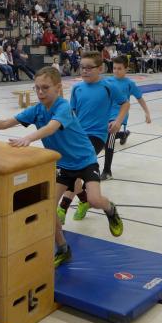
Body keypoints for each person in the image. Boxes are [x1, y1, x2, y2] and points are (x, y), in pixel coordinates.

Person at [0, 67, 123, 268]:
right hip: (62, 164)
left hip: (85, 160)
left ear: (58, 88)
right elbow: (6, 122)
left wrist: (28, 138)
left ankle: (110, 209)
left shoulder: (63, 107)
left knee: (94, 199)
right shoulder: (36, 110)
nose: (40, 92)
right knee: (48, 209)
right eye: (37, 88)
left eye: (45, 88)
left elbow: (51, 127)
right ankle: (63, 249)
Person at [57, 51, 129, 225]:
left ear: (100, 68)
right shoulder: (77, 88)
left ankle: (62, 208)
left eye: (89, 67)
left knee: (75, 167)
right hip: (78, 136)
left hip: (97, 136)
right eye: (82, 67)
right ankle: (84, 200)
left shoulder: (108, 86)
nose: (84, 71)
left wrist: (118, 121)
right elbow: (72, 113)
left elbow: (125, 103)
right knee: (71, 171)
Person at [107, 55, 152, 150]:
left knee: (110, 135)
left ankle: (117, 137)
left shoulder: (130, 84)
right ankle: (123, 134)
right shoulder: (107, 81)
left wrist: (147, 113)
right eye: (114, 68)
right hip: (107, 111)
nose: (116, 71)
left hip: (120, 113)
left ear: (126, 69)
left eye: (119, 68)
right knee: (105, 133)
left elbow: (140, 98)